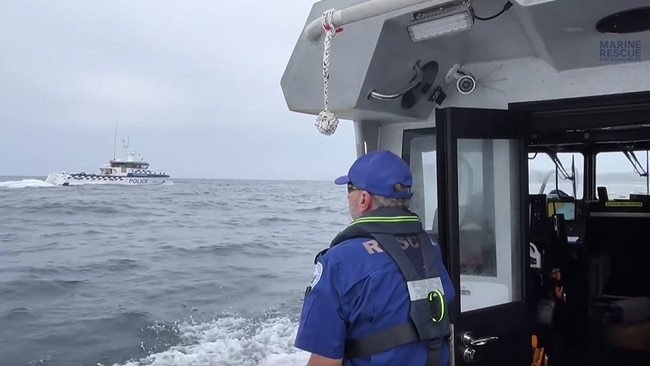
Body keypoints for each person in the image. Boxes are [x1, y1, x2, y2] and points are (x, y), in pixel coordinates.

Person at [294, 150, 456, 366]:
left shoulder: (339, 262)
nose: (347, 196)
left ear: (364, 199)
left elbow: (325, 361)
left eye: (349, 188)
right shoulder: (431, 247)